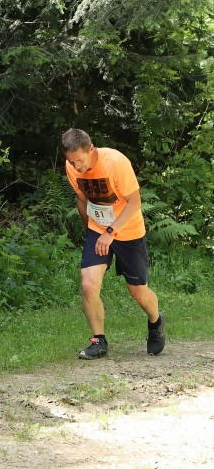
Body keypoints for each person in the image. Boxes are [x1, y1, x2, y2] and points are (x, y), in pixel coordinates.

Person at [62, 128, 165, 359]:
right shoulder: (72, 167)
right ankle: (99, 341)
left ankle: (156, 322)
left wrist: (111, 232)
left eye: (79, 160)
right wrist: (90, 229)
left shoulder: (116, 162)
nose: (76, 166)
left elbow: (134, 202)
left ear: (91, 148)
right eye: (70, 161)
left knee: (138, 292)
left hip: (128, 231)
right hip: (98, 230)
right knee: (88, 284)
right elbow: (82, 199)